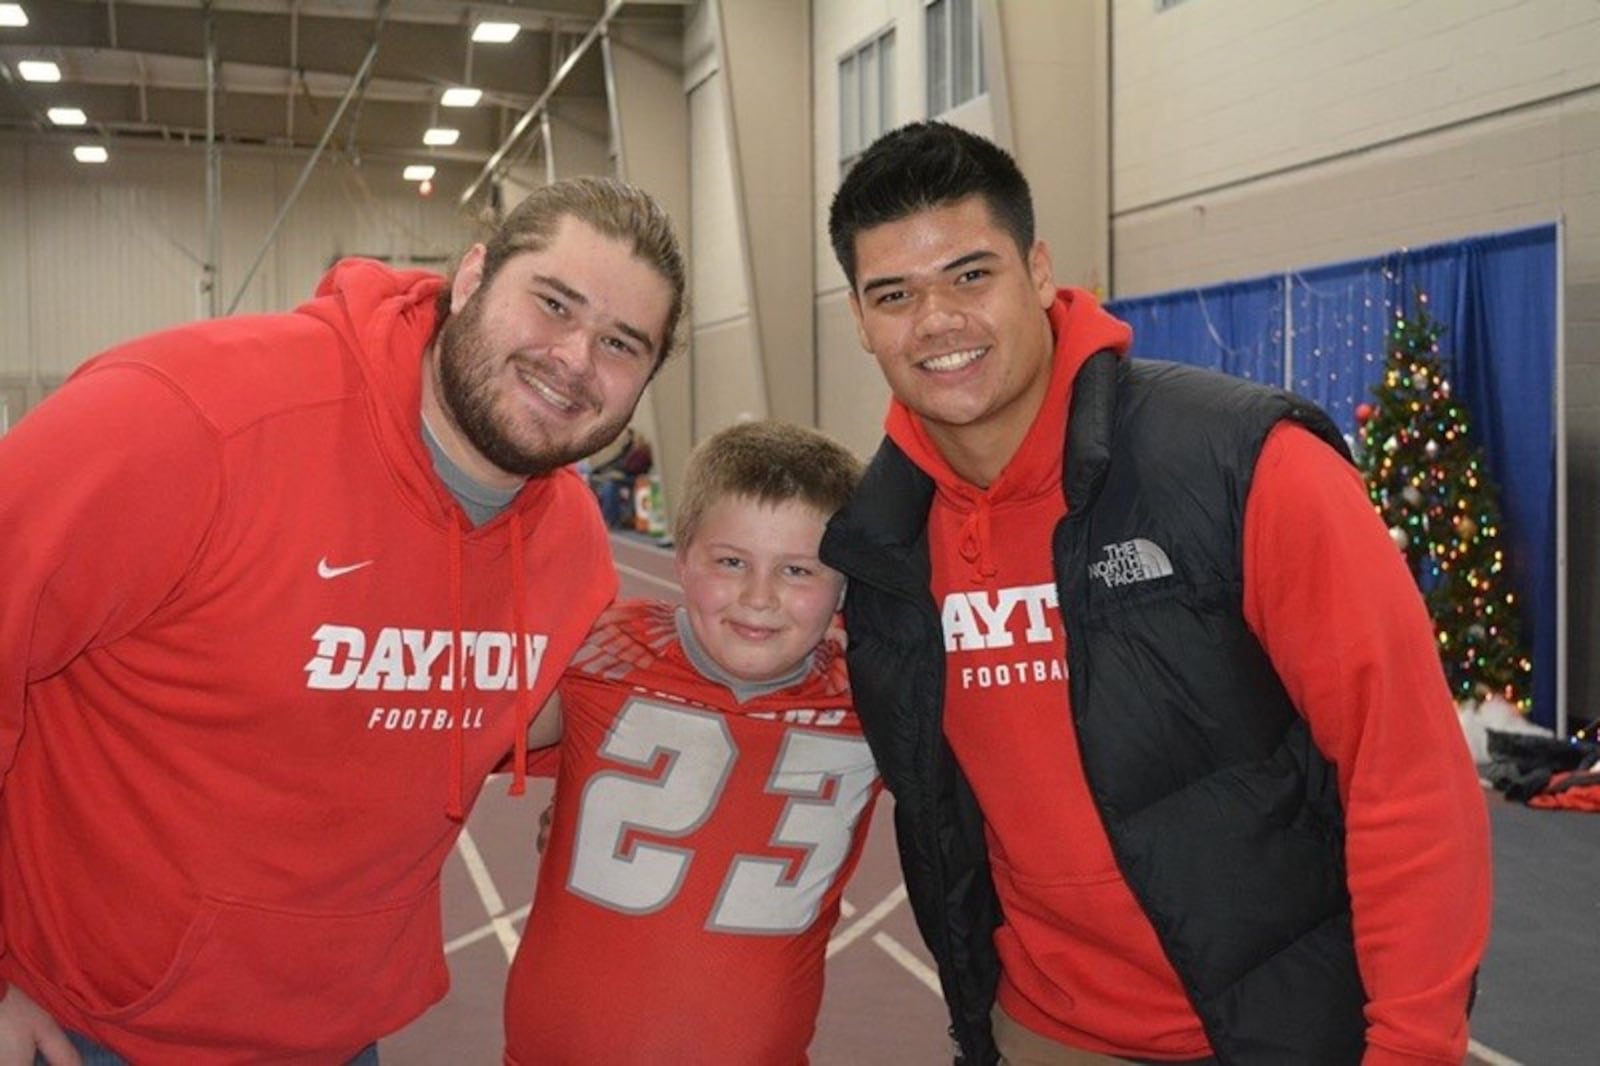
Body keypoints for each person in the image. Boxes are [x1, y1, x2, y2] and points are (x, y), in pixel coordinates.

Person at [818, 121, 1491, 1065]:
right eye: (894, 294)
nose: (935, 322)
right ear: (859, 319)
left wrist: (1415, 1046)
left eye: (971, 274)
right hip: (1036, 1032)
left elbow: (1407, 775)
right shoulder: (881, 540)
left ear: (1039, 271)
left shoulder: (1248, 468)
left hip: (1276, 1033)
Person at [0, 176, 684, 1065]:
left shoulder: (570, 542)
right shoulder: (186, 418)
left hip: (336, 1037)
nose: (574, 359)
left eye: (621, 344)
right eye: (554, 303)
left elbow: (566, 719)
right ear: (472, 277)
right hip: (86, 1030)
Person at [503, 420, 876, 1065]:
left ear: (845, 587)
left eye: (798, 570)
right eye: (730, 562)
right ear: (681, 558)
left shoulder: (873, 695)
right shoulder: (603, 650)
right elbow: (443, 735)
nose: (759, 598)